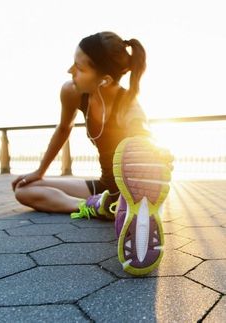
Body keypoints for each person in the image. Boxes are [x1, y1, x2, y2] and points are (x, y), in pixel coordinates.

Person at [12, 31, 173, 275]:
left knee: (128, 190)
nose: (70, 71)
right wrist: (39, 171)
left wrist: (158, 154)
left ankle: (124, 208)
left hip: (129, 191)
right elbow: (63, 129)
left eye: (79, 67)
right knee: (24, 190)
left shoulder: (129, 106)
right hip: (104, 186)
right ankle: (98, 206)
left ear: (105, 80)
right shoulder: (72, 91)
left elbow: (143, 138)